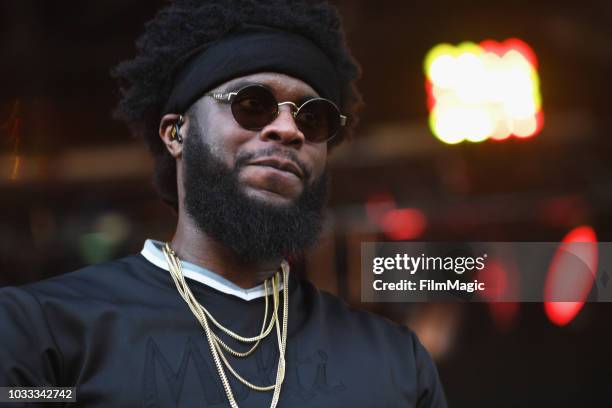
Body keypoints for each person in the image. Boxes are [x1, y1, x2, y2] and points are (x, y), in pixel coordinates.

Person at [0, 0, 447, 406]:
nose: (288, 129)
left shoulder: (396, 363)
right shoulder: (43, 331)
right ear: (177, 132)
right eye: (253, 105)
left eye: (313, 117)